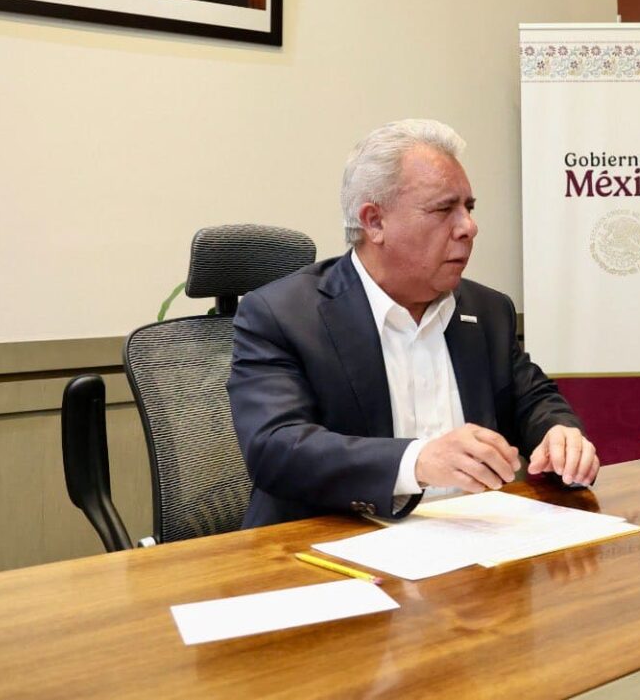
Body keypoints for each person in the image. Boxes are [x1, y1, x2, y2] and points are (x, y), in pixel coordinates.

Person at [229, 119, 599, 527]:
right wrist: (418, 461)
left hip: (477, 545)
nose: (469, 227)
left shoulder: (487, 308)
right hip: (335, 549)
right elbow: (276, 449)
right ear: (374, 222)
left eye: (469, 208)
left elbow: (532, 398)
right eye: (444, 209)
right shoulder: (283, 315)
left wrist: (559, 433)